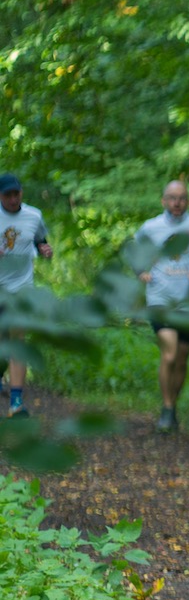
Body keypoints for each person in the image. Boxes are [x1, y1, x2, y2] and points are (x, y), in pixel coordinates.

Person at [134, 180, 189, 433]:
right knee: (170, 353)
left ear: (188, 201)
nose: (177, 203)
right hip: (159, 298)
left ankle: (172, 405)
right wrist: (140, 271)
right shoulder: (150, 227)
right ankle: (166, 408)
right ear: (163, 200)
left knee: (182, 358)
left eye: (182, 198)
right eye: (172, 198)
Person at [0, 172, 54, 418]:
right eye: (7, 195)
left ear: (21, 192)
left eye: (16, 194)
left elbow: (40, 240)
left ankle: (16, 403)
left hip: (22, 288)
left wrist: (45, 250)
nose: (13, 199)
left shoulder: (34, 215)